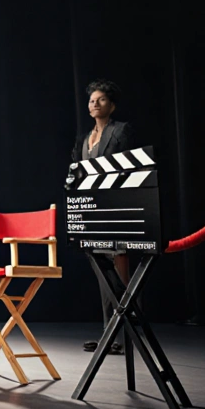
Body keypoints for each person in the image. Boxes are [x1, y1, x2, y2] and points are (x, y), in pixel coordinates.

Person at [72, 79, 134, 355]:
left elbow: (128, 168)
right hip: (91, 209)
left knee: (120, 265)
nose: (95, 104)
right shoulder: (83, 140)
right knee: (101, 272)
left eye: (101, 100)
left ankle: (129, 330)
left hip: (116, 207)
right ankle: (109, 333)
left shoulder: (121, 130)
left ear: (112, 105)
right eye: (91, 101)